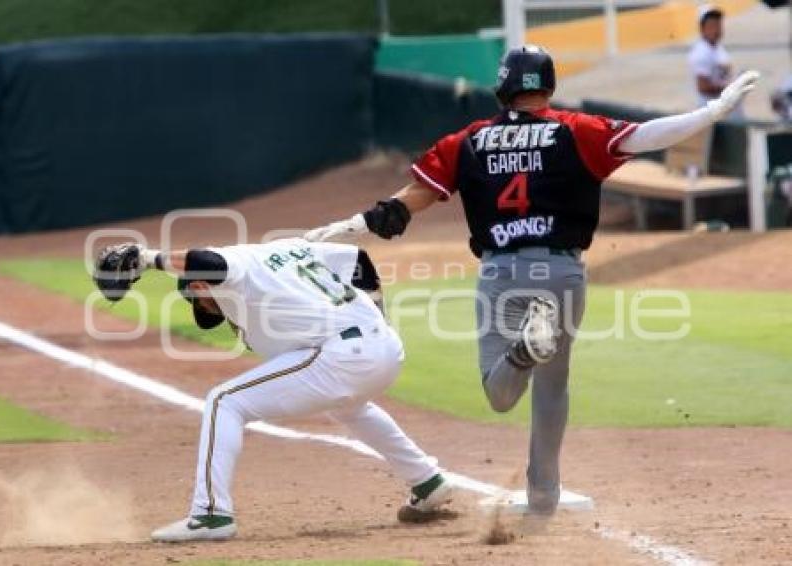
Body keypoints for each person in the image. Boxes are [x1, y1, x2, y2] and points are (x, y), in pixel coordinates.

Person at [304, 45, 758, 515]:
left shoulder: (469, 140)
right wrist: (712, 111)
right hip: (562, 271)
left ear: (503, 87)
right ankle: (544, 497)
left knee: (500, 394)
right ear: (549, 85)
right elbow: (647, 136)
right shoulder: (576, 131)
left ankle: (523, 350)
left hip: (502, 271)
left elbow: (410, 200)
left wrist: (359, 224)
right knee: (553, 386)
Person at [92, 239, 453, 542]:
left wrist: (148, 259)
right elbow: (358, 258)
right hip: (384, 348)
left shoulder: (233, 268)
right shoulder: (289, 249)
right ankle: (426, 481)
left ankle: (211, 514)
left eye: (200, 302)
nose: (208, 311)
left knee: (224, 401)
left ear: (200, 288)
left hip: (344, 354)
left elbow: (207, 260)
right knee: (349, 407)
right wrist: (374, 316)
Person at [689, 5, 744, 118]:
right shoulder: (701, 53)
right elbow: (703, 87)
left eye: (719, 25)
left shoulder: (717, 48)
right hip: (712, 111)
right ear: (702, 28)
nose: (717, 30)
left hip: (726, 109)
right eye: (712, 26)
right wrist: (732, 87)